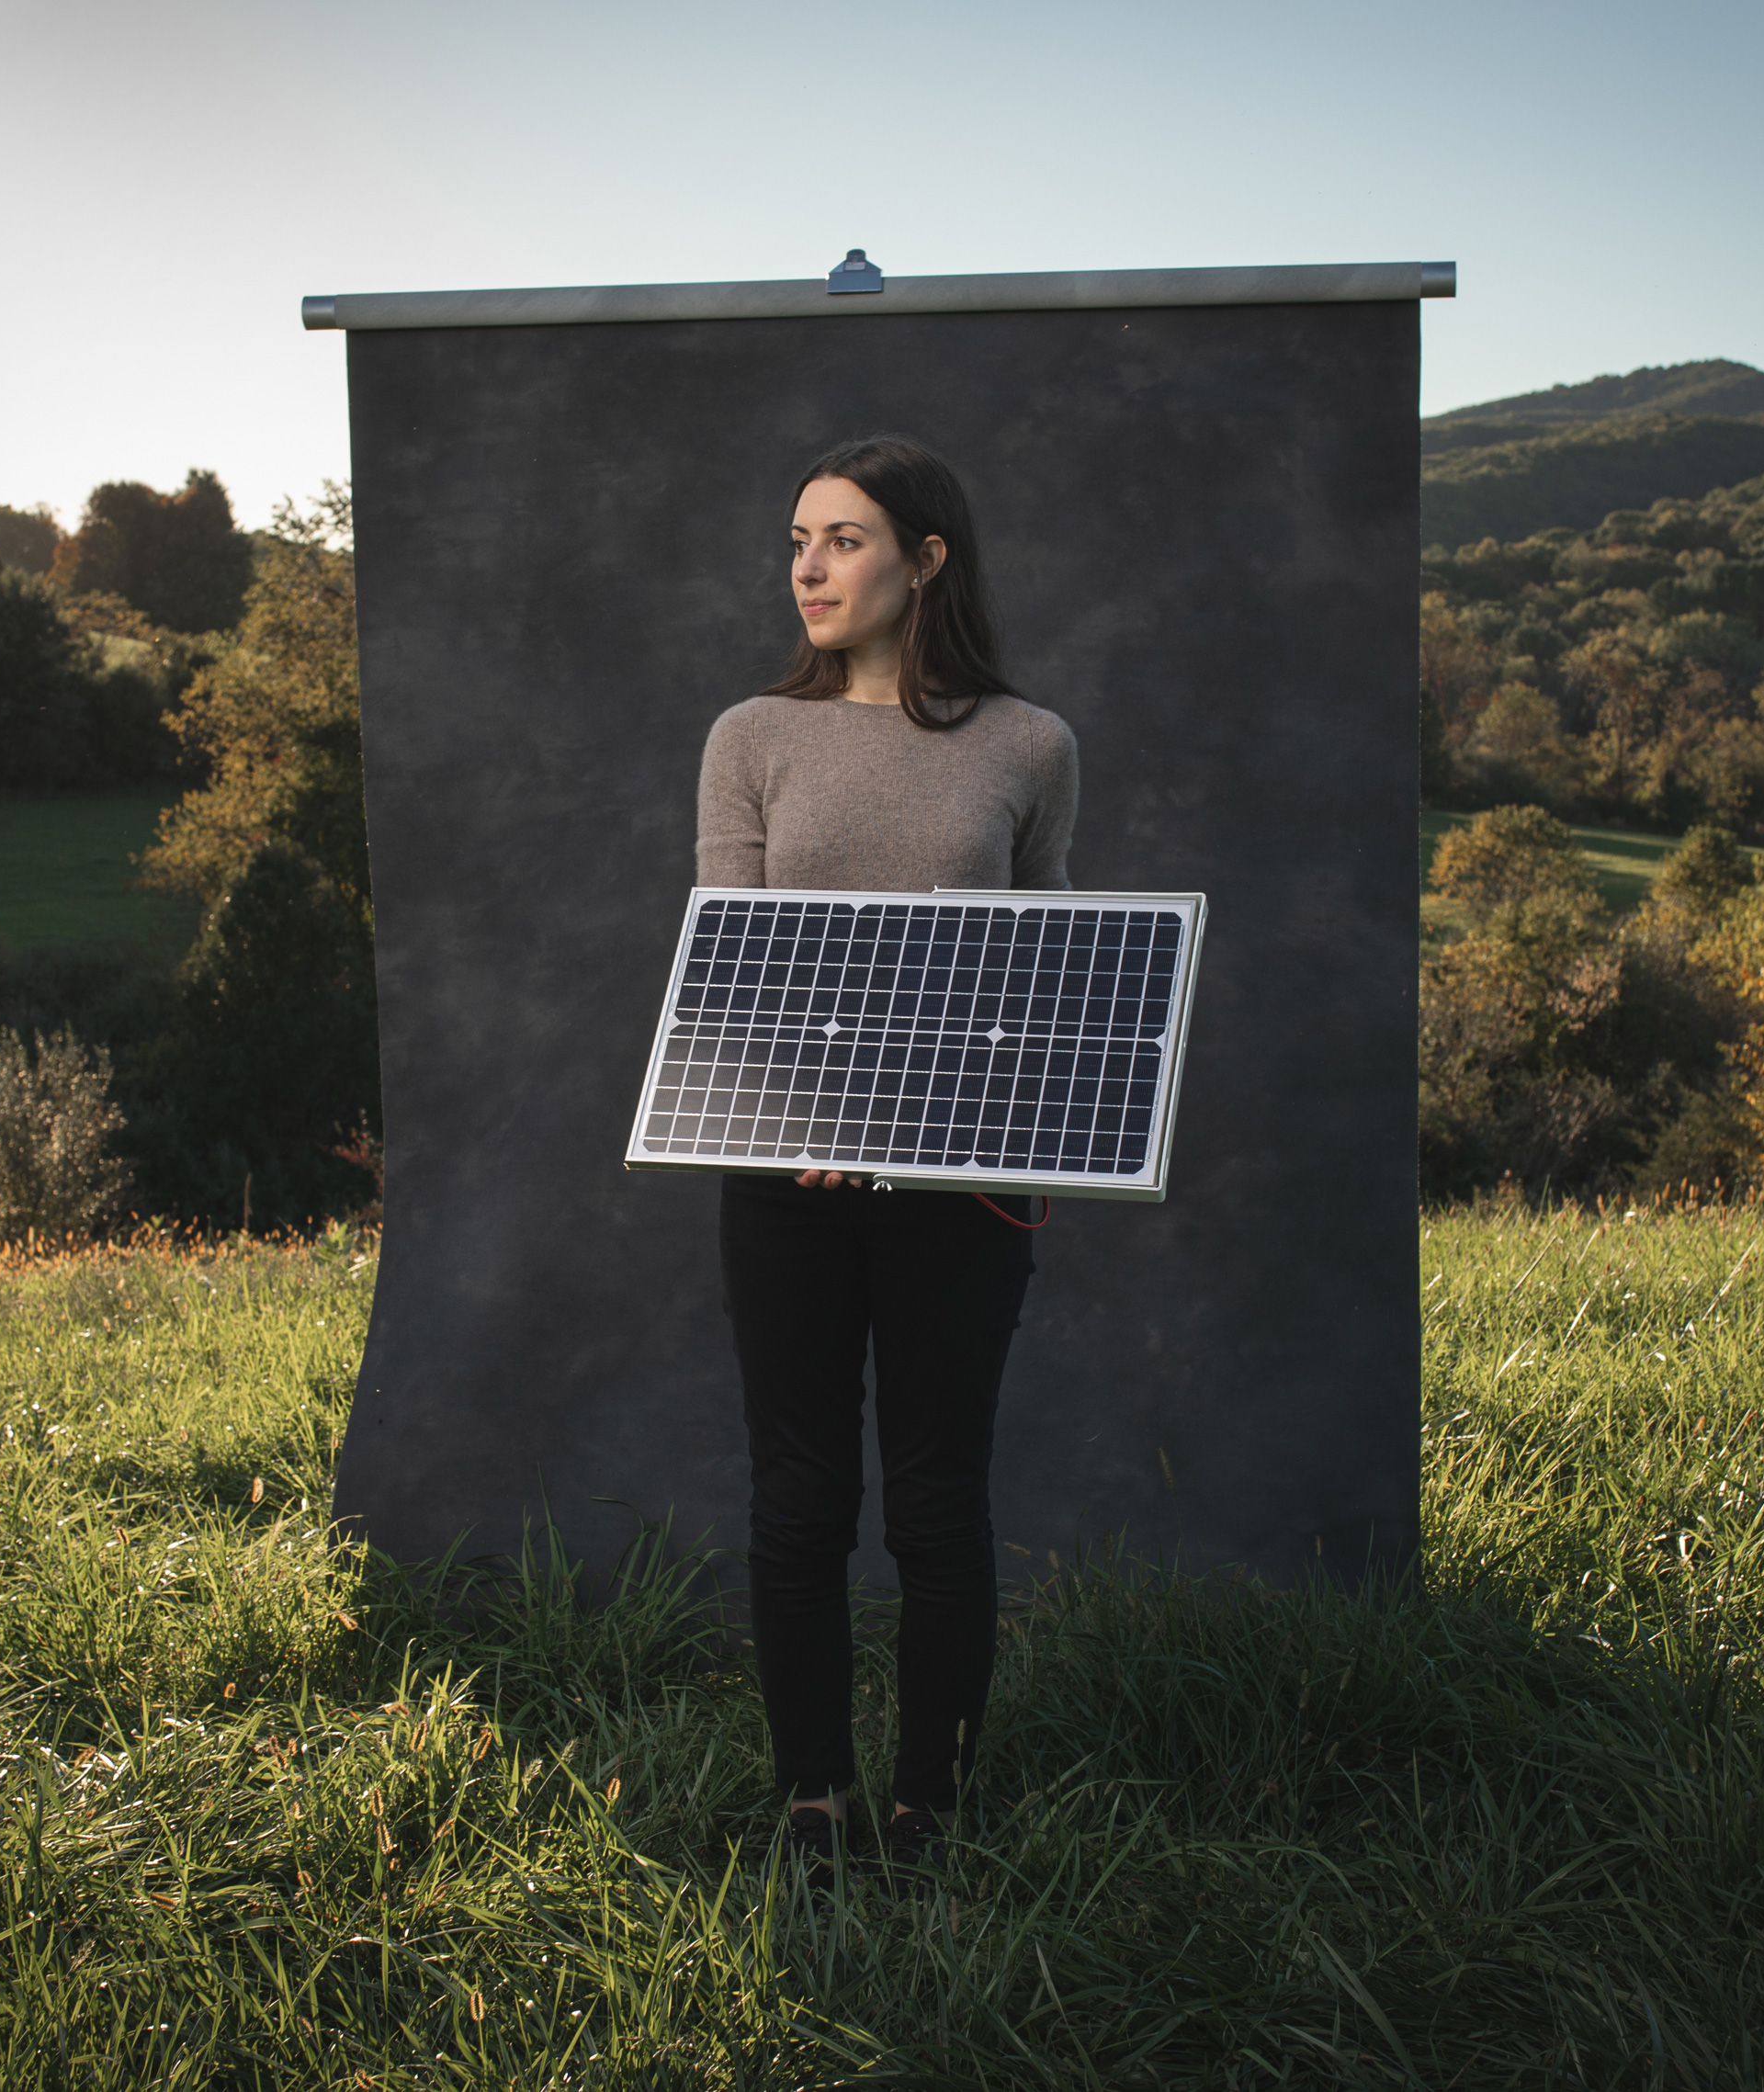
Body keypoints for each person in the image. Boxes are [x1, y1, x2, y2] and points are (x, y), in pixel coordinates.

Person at [695, 435, 1079, 1883]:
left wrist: (974, 1134)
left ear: (926, 558)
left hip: (959, 1190)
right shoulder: (752, 738)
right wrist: (796, 1120)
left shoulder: (1030, 746)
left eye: (845, 538)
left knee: (935, 1499)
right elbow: (728, 965)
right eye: (798, 537)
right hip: (781, 1181)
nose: (806, 565)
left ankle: (928, 1807)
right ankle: (815, 1801)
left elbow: (1047, 975)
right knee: (798, 1497)